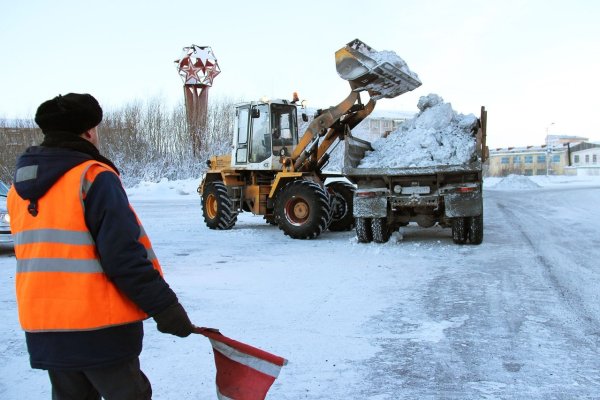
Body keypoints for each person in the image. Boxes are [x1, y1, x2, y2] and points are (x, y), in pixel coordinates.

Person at [7, 93, 195, 399]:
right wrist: (165, 308)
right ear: (89, 131)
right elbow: (123, 258)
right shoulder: (92, 176)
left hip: (46, 328)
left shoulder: (18, 190)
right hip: (99, 329)